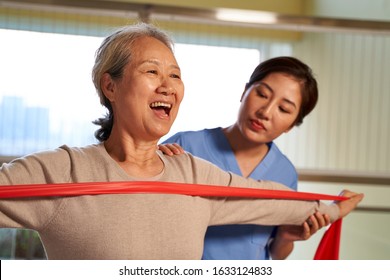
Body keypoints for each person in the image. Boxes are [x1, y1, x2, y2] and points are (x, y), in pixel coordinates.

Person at [0, 22, 363, 260]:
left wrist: (333, 207)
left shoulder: (191, 173)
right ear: (109, 85)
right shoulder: (62, 171)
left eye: (175, 75)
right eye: (152, 71)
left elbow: (273, 201)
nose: (168, 85)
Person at [160, 56, 326, 260]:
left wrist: (286, 237)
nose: (265, 112)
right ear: (244, 91)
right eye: (262, 94)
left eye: (283, 109)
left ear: (291, 125)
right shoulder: (183, 147)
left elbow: (275, 253)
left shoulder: (285, 174)